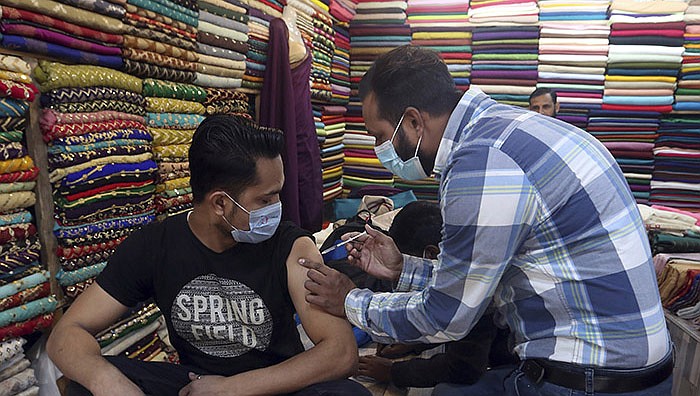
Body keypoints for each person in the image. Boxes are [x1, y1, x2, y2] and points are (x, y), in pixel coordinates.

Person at [299, 45, 673, 396]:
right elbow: (491, 281)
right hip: (635, 369)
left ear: (412, 121)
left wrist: (350, 301)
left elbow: (447, 317)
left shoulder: (480, 164)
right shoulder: (518, 132)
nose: (381, 151)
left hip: (587, 377)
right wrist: (403, 268)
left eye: (380, 136)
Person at [47, 115, 368, 396]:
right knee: (85, 385)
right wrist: (107, 382)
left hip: (274, 385)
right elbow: (67, 334)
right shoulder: (154, 245)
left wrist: (233, 388)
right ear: (220, 204)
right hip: (197, 386)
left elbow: (340, 353)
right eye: (266, 198)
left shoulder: (292, 246)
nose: (277, 207)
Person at [357, 201, 516, 388]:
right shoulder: (472, 253)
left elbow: (463, 368)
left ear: (431, 254)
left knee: (447, 392)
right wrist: (417, 343)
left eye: (405, 259)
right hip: (501, 345)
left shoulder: (470, 284)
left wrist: (393, 372)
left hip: (517, 362)